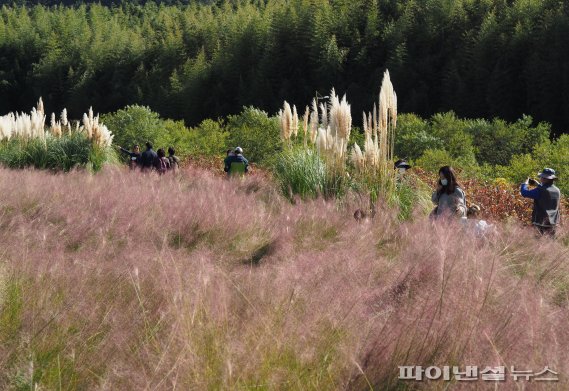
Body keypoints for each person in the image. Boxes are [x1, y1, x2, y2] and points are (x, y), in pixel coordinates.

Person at [520, 168, 561, 237]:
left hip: (541, 223)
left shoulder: (540, 190)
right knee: (551, 244)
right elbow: (546, 192)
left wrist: (525, 184)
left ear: (545, 179)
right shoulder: (557, 190)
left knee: (539, 245)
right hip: (554, 222)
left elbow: (524, 193)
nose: (540, 178)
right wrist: (539, 185)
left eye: (541, 177)